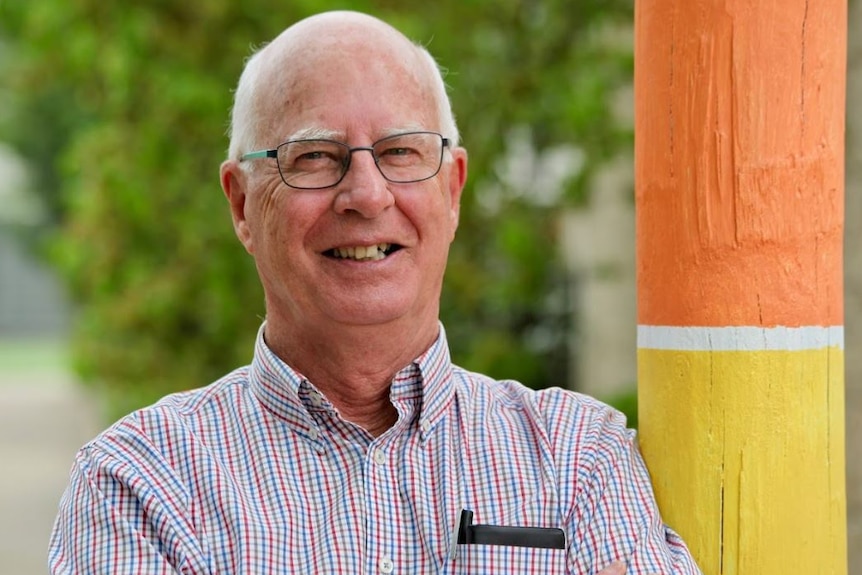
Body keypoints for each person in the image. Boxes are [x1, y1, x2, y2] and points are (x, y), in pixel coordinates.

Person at [48, 10, 701, 575]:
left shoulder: (577, 456)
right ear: (242, 204)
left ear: (452, 190)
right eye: (313, 157)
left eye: (400, 151)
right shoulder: (142, 485)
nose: (365, 194)